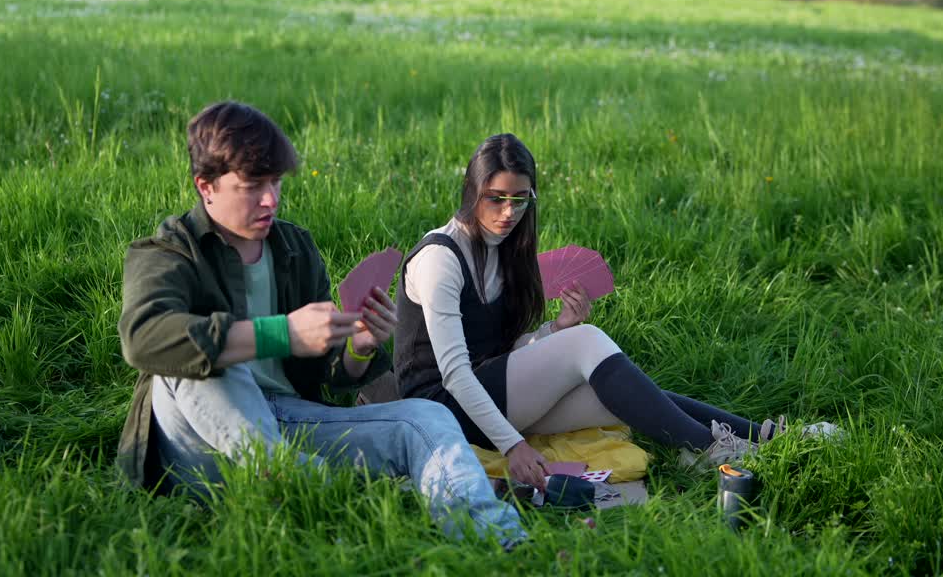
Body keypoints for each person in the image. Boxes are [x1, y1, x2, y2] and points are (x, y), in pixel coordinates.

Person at [115, 103, 525, 545]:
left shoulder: (293, 248)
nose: (271, 198)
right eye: (253, 186)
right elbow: (143, 338)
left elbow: (329, 375)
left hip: (290, 424)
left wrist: (359, 346)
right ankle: (322, 492)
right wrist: (281, 333)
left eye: (275, 182)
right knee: (209, 364)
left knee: (427, 418)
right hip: (202, 449)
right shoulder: (169, 251)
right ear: (206, 187)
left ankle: (501, 542)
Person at [393, 133, 837, 491]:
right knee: (589, 341)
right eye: (496, 198)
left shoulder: (505, 252)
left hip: (486, 392)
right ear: (472, 191)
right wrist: (512, 446)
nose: (509, 212)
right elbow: (454, 372)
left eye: (521, 200)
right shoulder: (441, 259)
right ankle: (711, 450)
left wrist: (553, 330)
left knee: (622, 396)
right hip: (442, 408)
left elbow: (501, 351)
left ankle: (768, 438)